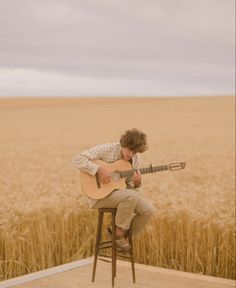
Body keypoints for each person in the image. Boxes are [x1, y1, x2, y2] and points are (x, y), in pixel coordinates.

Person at [73, 128, 156, 249]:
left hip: (122, 196)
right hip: (99, 196)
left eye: (134, 152)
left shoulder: (136, 161)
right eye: (128, 149)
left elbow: (131, 191)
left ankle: (124, 238)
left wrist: (137, 183)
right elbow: (77, 160)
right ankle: (118, 233)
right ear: (123, 144)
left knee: (149, 210)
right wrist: (99, 170)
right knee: (130, 196)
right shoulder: (107, 149)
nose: (130, 154)